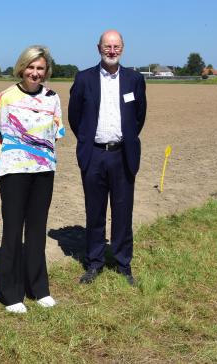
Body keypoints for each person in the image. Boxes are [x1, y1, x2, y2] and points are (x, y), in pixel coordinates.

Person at [0, 45, 65, 314]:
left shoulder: (53, 98)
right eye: (30, 67)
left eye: (40, 68)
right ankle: (11, 293)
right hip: (14, 174)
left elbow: (54, 135)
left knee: (36, 231)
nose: (35, 72)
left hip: (43, 173)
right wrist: (6, 158)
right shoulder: (6, 97)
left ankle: (38, 288)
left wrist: (39, 158)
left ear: (46, 71)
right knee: (13, 232)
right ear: (22, 67)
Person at [68, 30, 147, 286]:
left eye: (116, 46)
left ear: (122, 48)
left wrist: (126, 140)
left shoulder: (134, 79)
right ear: (98, 48)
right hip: (94, 155)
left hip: (123, 154)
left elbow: (139, 117)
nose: (111, 51)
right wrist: (87, 143)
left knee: (123, 212)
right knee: (95, 212)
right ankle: (95, 262)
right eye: (107, 46)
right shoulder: (83, 79)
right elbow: (75, 116)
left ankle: (123, 263)